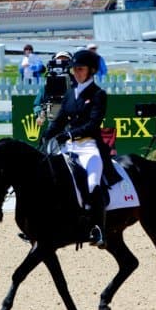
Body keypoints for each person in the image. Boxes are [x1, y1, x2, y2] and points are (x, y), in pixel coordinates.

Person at [44, 49, 118, 248]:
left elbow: (93, 124)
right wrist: (47, 134)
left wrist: (69, 134)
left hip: (89, 147)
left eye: (80, 69)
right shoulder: (70, 93)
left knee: (92, 184)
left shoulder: (98, 94)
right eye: (74, 69)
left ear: (91, 70)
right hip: (68, 147)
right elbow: (60, 119)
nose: (76, 73)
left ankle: (98, 229)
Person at [33, 51, 75, 126]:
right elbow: (37, 103)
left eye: (65, 60)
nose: (61, 63)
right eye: (59, 60)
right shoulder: (49, 82)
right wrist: (40, 114)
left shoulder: (76, 82)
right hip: (54, 120)